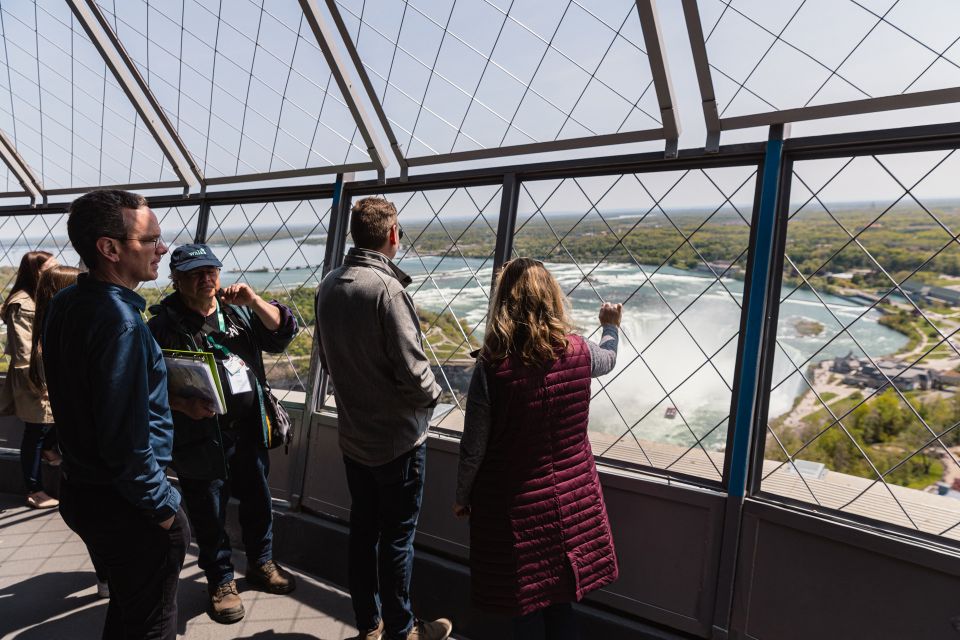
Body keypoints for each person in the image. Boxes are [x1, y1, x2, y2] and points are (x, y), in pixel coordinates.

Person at [44, 189, 189, 640]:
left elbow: (85, 397)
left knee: (130, 608)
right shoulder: (121, 323)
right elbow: (125, 442)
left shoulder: (67, 304)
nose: (162, 248)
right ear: (109, 248)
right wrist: (164, 510)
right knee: (151, 625)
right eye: (151, 240)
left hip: (82, 489)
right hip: (128, 505)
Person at [453, 257, 622, 640]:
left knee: (525, 604)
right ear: (552, 298)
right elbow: (608, 358)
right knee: (561, 600)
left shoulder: (492, 367)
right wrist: (610, 327)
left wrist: (461, 496)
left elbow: (474, 446)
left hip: (514, 508)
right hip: (572, 500)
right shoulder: (578, 350)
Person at [316, 196, 453, 640]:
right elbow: (415, 373)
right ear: (392, 235)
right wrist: (433, 398)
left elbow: (328, 358)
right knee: (397, 539)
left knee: (363, 533)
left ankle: (369, 625)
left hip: (354, 437)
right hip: (398, 442)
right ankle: (403, 629)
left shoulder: (329, 284)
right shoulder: (387, 291)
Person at [147, 243, 299, 624]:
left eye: (212, 270)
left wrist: (254, 299)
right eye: (196, 273)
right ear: (176, 279)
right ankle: (221, 580)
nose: (207, 279)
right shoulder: (162, 326)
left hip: (247, 430)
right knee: (208, 511)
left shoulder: (237, 313)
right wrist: (182, 407)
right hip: (198, 437)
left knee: (258, 500)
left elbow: (283, 334)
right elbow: (145, 384)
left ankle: (261, 562)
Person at [29, 264, 111, 599]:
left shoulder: (50, 336)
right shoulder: (75, 339)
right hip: (95, 455)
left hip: (76, 459)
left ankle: (105, 576)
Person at [1, 250, 60, 509]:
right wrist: (39, 384)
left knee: (46, 426)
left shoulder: (40, 297)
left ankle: (48, 450)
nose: (55, 273)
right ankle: (34, 490)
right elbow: (24, 351)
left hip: (44, 372)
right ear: (35, 272)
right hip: (33, 376)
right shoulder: (22, 303)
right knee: (35, 431)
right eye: (50, 269)